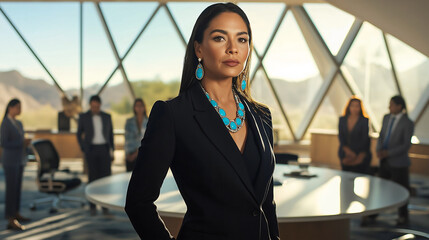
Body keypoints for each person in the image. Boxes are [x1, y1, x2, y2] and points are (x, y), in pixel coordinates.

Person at [125, 3, 280, 240]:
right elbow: (138, 202)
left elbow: (266, 202)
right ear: (199, 48)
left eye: (242, 39)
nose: (233, 49)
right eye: (220, 38)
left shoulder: (261, 116)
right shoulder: (173, 115)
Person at [376, 95, 414, 226]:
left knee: (402, 191)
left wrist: (389, 153)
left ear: (399, 106)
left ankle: (403, 217)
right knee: (380, 188)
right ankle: (374, 214)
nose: (389, 107)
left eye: (391, 104)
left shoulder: (408, 123)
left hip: (399, 163)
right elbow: (381, 135)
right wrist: (379, 150)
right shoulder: (386, 118)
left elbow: (405, 145)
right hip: (384, 161)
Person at [77, 95, 114, 216]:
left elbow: (111, 135)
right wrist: (84, 148)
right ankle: (92, 206)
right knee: (92, 178)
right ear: (90, 106)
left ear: (100, 105)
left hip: (104, 149)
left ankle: (105, 206)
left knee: (105, 179)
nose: (95, 109)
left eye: (97, 107)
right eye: (93, 107)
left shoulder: (107, 117)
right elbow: (78, 134)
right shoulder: (83, 117)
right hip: (91, 150)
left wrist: (112, 150)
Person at [0, 99, 31, 230]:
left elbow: (21, 140)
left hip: (20, 160)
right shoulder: (5, 123)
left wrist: (26, 146)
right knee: (11, 190)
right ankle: (10, 217)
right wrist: (21, 144)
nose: (20, 110)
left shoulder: (19, 123)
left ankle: (16, 212)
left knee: (17, 189)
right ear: (10, 108)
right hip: (10, 161)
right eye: (18, 107)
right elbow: (3, 143)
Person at [338, 96, 372, 174]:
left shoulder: (364, 121)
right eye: (352, 106)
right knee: (345, 177)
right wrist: (348, 151)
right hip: (345, 153)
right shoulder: (342, 120)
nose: (354, 108)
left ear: (360, 108)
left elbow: (365, 139)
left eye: (357, 106)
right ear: (349, 107)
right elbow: (341, 136)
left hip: (359, 154)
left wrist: (357, 155)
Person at [124, 98, 148, 172]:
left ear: (144, 107)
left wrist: (137, 153)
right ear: (134, 108)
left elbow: (149, 140)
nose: (139, 108)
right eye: (137, 106)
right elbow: (127, 139)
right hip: (131, 155)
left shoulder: (149, 121)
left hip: (145, 155)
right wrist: (127, 154)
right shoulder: (129, 122)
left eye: (141, 106)